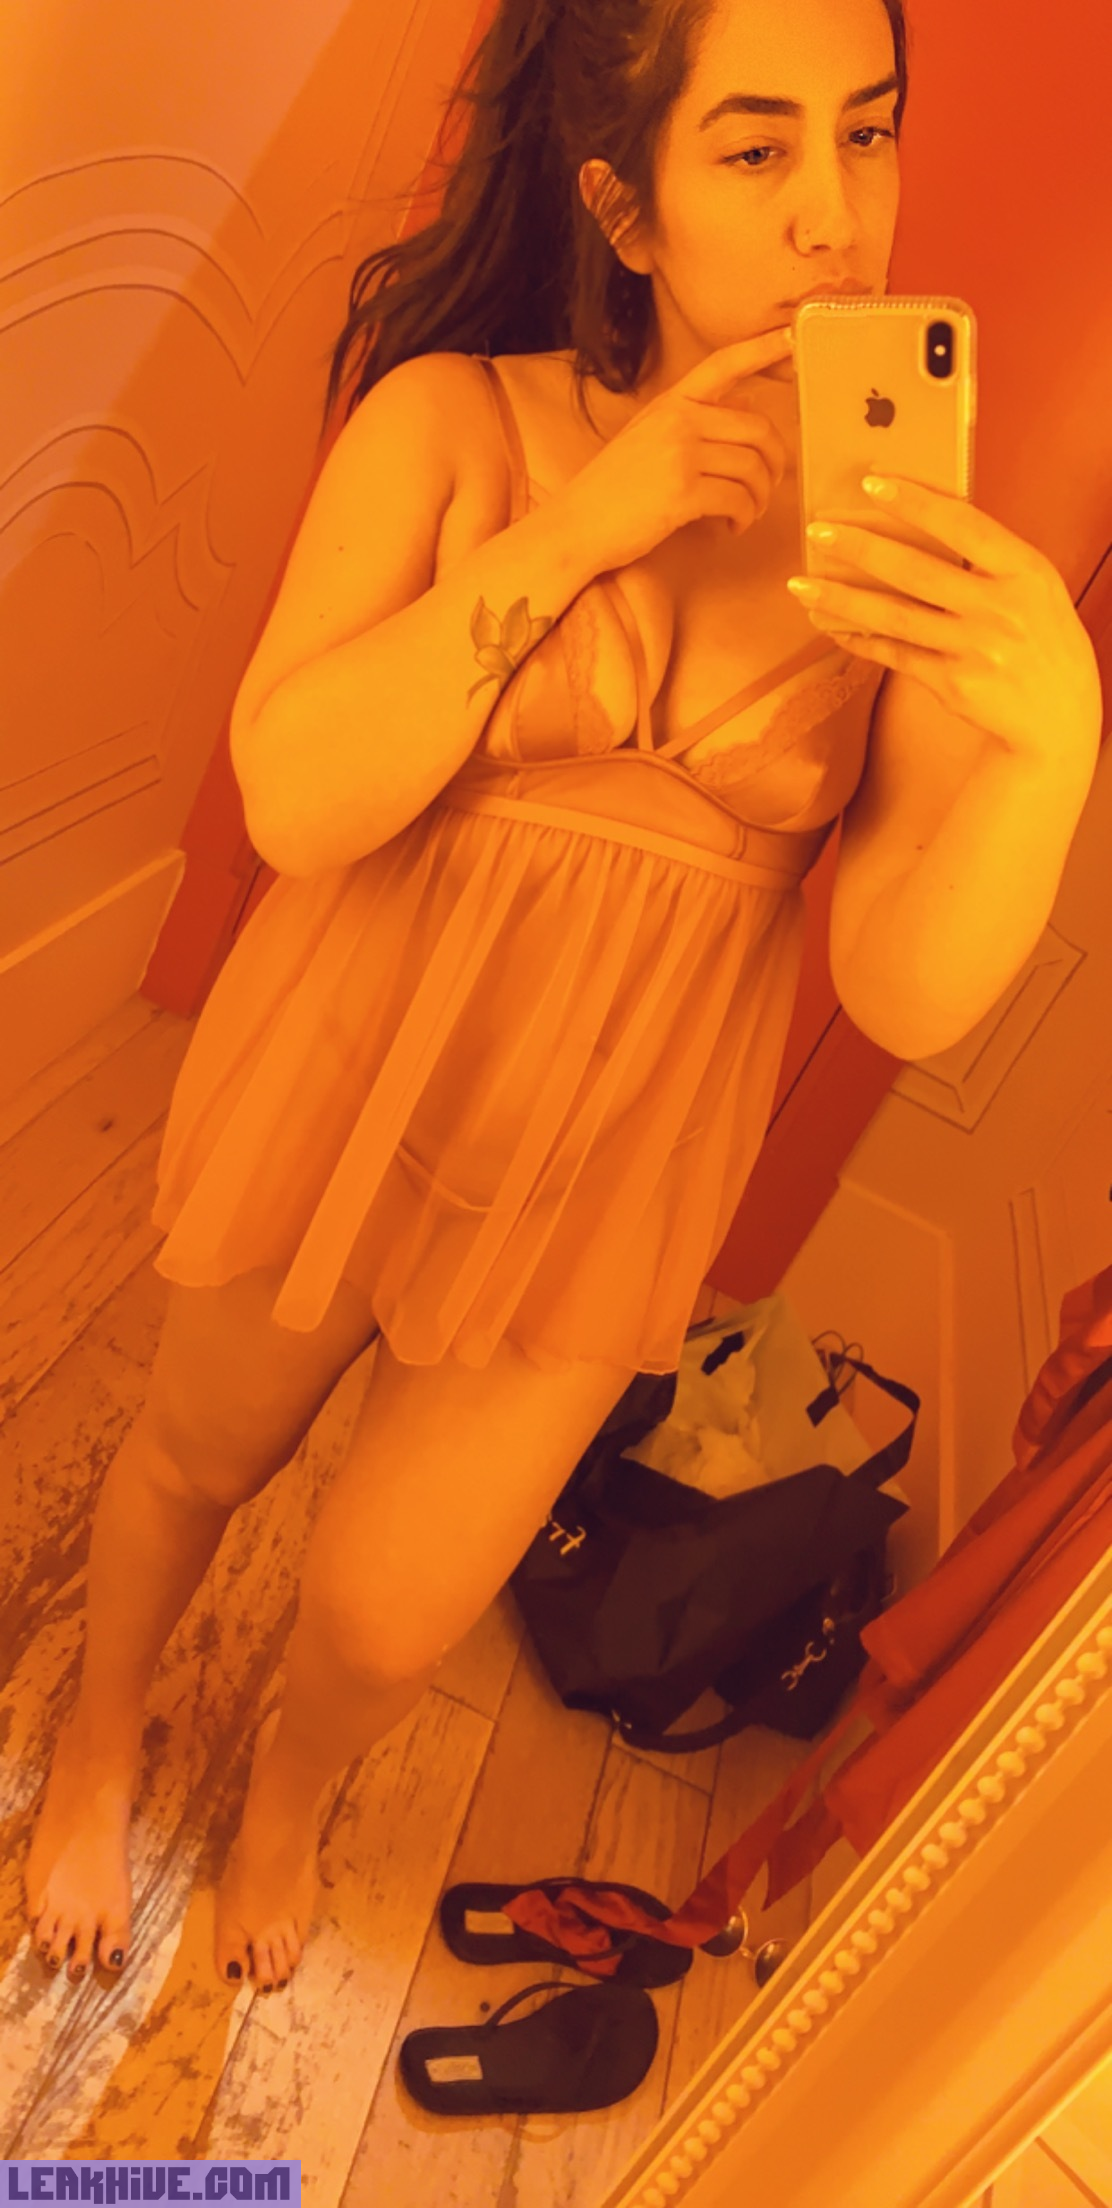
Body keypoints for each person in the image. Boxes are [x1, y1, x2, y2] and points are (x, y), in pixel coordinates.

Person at [23, 0, 908, 1994]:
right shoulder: (452, 424)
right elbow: (294, 792)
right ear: (626, 207)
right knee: (193, 1457)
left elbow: (908, 970)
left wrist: (1020, 711)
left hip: (601, 1172)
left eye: (869, 131)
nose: (836, 213)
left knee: (387, 1614)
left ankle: (285, 1799)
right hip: (352, 1069)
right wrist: (593, 525)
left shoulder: (891, 545)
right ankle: (96, 1740)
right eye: (757, 147)